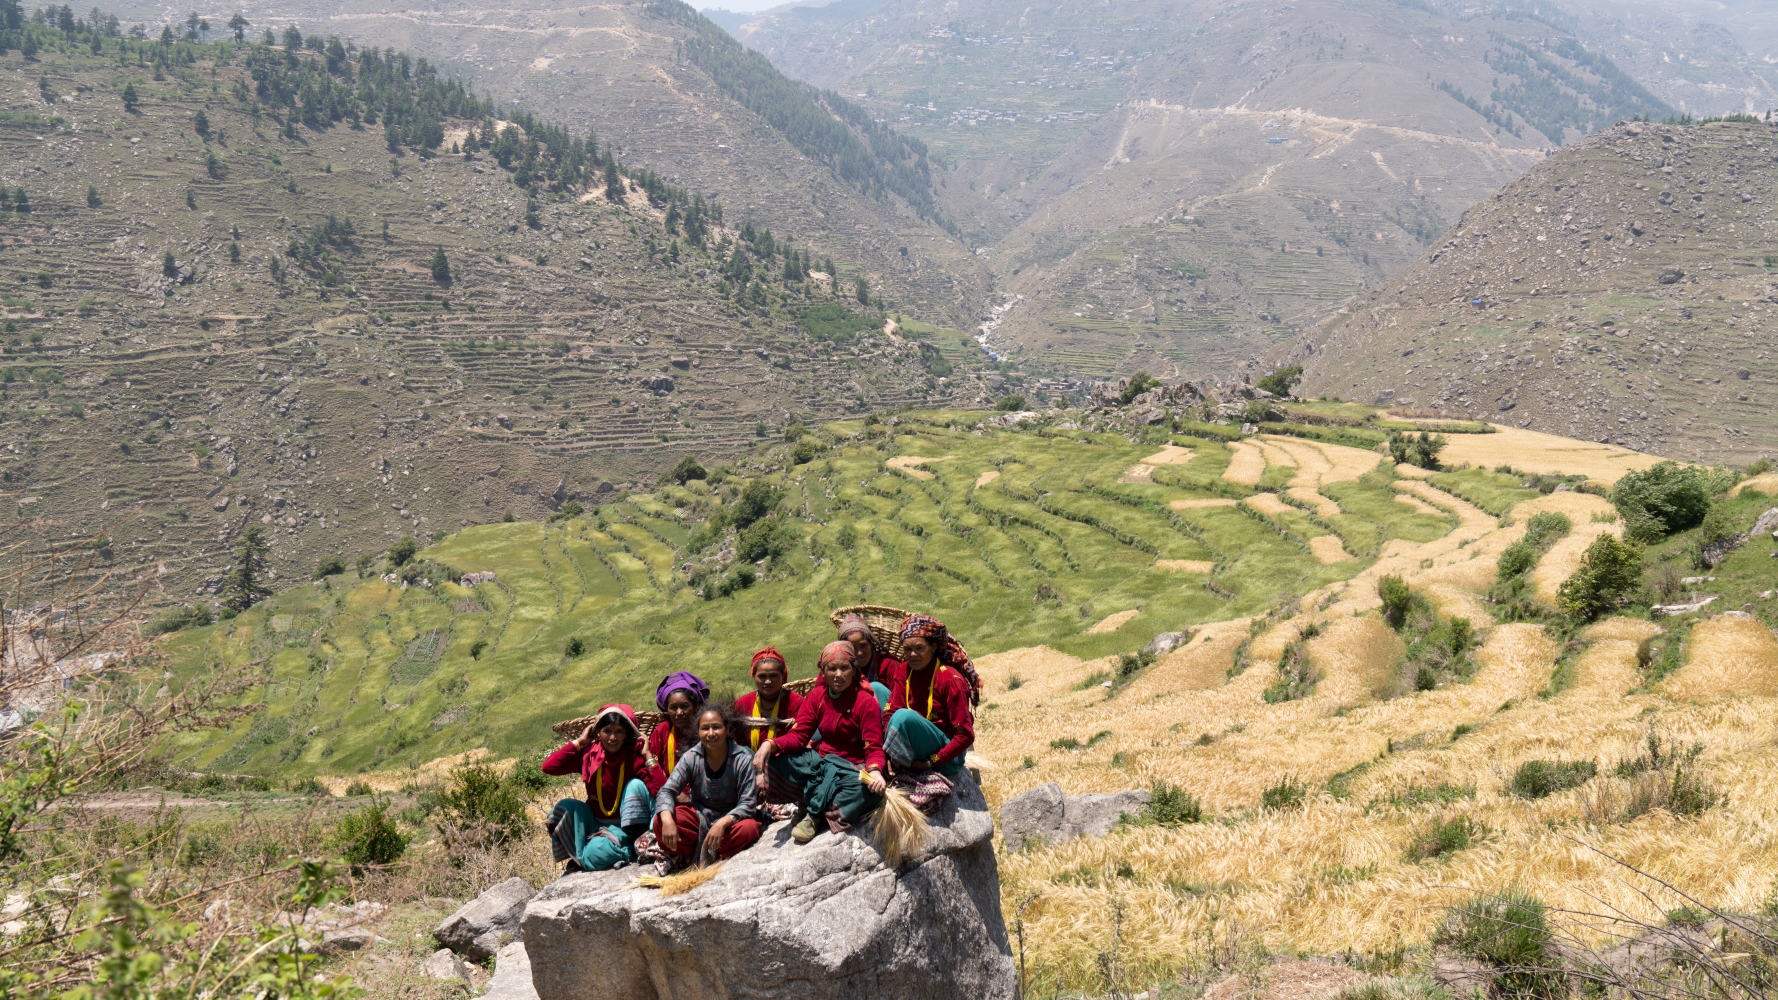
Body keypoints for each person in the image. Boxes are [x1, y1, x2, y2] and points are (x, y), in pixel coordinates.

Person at [754, 640, 887, 844]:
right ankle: (811, 805)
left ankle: (815, 815)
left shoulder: (864, 702)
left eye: (844, 667)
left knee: (865, 791)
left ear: (854, 670)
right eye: (832, 668)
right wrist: (769, 745)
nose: (839, 674)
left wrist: (876, 771)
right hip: (822, 762)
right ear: (823, 673)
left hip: (852, 768)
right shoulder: (817, 696)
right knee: (778, 762)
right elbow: (799, 736)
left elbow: (873, 747)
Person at [541, 704, 664, 871]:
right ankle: (593, 850)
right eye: (607, 730)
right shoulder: (588, 754)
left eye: (619, 731)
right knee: (562, 809)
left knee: (636, 785)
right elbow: (549, 767)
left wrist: (648, 756)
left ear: (627, 734)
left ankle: (622, 846)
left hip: (624, 826)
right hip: (594, 821)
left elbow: (660, 791)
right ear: (598, 732)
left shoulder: (634, 755)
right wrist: (579, 742)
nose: (612, 737)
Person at [883, 615, 979, 812]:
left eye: (919, 648)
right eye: (907, 649)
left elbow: (965, 735)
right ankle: (893, 758)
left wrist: (929, 763)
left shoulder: (950, 679)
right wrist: (886, 753)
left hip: (946, 757)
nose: (913, 655)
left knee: (903, 717)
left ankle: (900, 766)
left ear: (933, 647)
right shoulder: (904, 671)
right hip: (918, 740)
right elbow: (890, 711)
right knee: (876, 689)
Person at [651, 703, 763, 872]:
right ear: (698, 732)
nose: (711, 733)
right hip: (699, 818)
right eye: (705, 728)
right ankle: (703, 848)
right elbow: (667, 791)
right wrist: (667, 819)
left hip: (730, 822)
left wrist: (722, 823)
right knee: (660, 822)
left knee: (749, 828)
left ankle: (706, 852)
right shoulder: (691, 757)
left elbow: (748, 804)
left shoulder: (742, 759)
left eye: (716, 727)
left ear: (727, 730)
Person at [735, 648, 805, 820]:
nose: (767, 681)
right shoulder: (742, 704)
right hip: (750, 767)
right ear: (753, 675)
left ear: (783, 675)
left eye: (773, 676)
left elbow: (800, 738)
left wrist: (766, 773)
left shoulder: (796, 702)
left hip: (784, 766)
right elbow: (735, 745)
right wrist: (756, 773)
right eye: (762, 677)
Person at [647, 670, 709, 775]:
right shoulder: (662, 731)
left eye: (684, 706)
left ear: (695, 707)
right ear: (667, 709)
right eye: (673, 708)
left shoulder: (707, 729)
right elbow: (653, 770)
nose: (679, 713)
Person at [836, 612, 896, 708]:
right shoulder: (840, 670)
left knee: (875, 687)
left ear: (871, 644)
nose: (859, 653)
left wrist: (886, 713)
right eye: (853, 648)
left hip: (887, 712)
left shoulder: (888, 664)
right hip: (858, 716)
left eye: (863, 645)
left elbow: (897, 698)